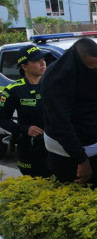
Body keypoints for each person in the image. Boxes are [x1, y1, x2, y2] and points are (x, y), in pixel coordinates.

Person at [41, 38, 97, 192]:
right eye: (93, 68)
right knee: (75, 204)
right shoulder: (54, 79)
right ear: (78, 64)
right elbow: (60, 123)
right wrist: (82, 160)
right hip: (64, 153)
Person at [0, 45, 50, 177]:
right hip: (29, 149)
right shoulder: (14, 89)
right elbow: (2, 119)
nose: (42, 63)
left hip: (55, 146)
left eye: (43, 59)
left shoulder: (53, 85)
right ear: (24, 66)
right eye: (36, 61)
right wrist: (25, 129)